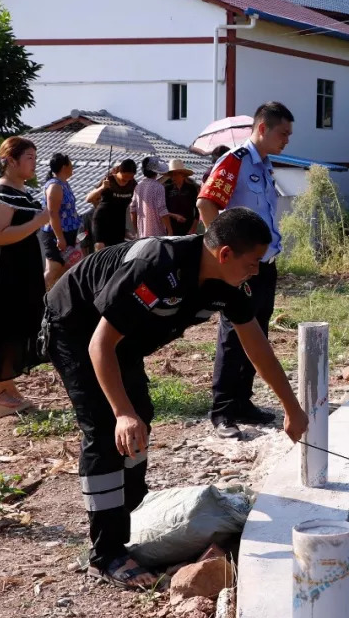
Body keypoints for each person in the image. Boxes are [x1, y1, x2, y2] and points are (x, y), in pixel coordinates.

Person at [44, 208, 309, 590]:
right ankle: (107, 554)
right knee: (107, 430)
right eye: (252, 263)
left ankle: (132, 515)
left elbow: (257, 347)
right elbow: (99, 344)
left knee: (142, 418)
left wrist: (291, 408)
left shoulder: (229, 284)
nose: (257, 271)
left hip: (123, 340)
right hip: (78, 328)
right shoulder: (158, 268)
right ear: (225, 254)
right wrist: (120, 413)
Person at [197, 102, 291, 439]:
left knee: (257, 333)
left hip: (264, 265)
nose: (287, 141)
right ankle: (223, 410)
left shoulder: (265, 166)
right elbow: (206, 203)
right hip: (240, 267)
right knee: (233, 335)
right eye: (283, 133)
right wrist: (223, 255)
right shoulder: (235, 161)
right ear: (263, 128)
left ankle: (243, 402)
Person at [0, 137, 48, 417]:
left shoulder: (21, 191)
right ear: (11, 161)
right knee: (1, 326)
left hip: (20, 269)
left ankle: (7, 388)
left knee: (15, 323)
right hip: (4, 269)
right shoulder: (0, 193)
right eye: (29, 157)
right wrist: (38, 222)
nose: (34, 163)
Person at [39, 152, 82, 289]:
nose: (72, 167)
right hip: (56, 233)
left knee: (67, 269)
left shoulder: (64, 184)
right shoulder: (55, 186)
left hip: (70, 232)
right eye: (71, 164)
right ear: (64, 167)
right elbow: (53, 213)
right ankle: (37, 302)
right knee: (53, 269)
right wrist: (60, 238)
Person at [86, 160, 137, 251]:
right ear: (120, 171)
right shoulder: (109, 180)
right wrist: (102, 188)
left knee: (116, 251)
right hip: (102, 219)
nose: (128, 179)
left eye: (131, 176)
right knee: (100, 247)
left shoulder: (133, 184)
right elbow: (89, 199)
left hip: (118, 221)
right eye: (126, 176)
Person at [130, 156, 174, 239]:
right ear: (156, 172)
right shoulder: (159, 187)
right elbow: (162, 210)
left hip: (142, 236)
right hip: (157, 235)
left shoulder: (138, 187)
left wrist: (136, 231)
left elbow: (132, 210)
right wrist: (170, 230)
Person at [162, 159, 200, 235]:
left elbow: (197, 210)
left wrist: (193, 229)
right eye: (171, 175)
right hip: (171, 229)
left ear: (183, 175)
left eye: (175, 174)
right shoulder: (167, 189)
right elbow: (163, 210)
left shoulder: (191, 189)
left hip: (188, 229)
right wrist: (175, 216)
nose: (173, 177)